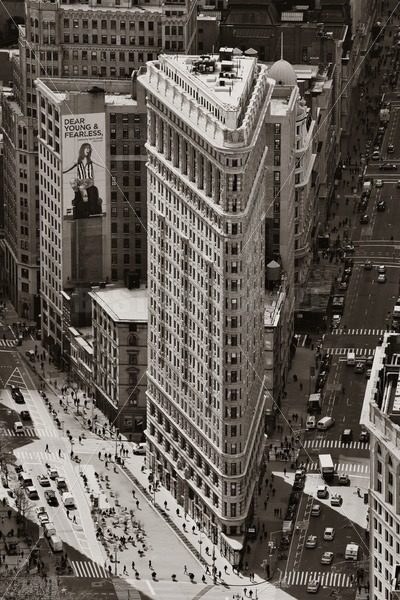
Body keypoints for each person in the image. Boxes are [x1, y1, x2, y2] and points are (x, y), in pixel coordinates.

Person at [63, 143, 103, 219]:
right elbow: (69, 167)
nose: (88, 150)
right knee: (72, 181)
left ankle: (85, 201)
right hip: (80, 180)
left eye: (89, 148)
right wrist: (62, 171)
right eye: (86, 148)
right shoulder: (78, 160)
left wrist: (107, 166)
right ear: (83, 149)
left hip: (89, 181)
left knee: (81, 187)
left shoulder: (90, 159)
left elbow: (99, 163)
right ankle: (77, 196)